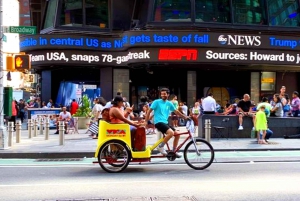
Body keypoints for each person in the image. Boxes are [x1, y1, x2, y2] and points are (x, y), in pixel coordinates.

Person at [144, 88, 190, 158]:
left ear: (168, 95)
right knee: (171, 133)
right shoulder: (156, 102)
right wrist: (146, 121)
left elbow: (176, 111)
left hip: (165, 123)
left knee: (177, 134)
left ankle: (174, 151)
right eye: (162, 94)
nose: (163, 95)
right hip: (158, 122)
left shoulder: (169, 103)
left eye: (164, 94)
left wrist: (185, 117)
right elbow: (149, 111)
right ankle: (161, 146)